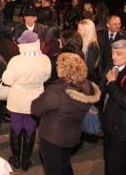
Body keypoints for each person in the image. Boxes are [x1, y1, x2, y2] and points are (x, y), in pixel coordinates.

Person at [31, 53, 101, 175]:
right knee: (64, 162)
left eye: (59, 66)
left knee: (53, 169)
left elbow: (36, 109)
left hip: (52, 138)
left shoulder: (57, 91)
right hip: (73, 136)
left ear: (65, 70)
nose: (56, 67)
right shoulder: (88, 86)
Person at [2, 30, 51, 171]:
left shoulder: (16, 61)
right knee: (30, 130)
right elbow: (46, 77)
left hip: (17, 100)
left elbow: (7, 80)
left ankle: (16, 159)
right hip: (35, 101)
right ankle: (25, 161)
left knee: (16, 128)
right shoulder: (44, 59)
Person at [101, 39, 126, 175]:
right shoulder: (111, 66)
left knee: (116, 166)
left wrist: (111, 84)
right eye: (112, 53)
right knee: (109, 160)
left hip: (121, 131)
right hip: (109, 126)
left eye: (118, 54)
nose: (113, 56)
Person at [78, 19, 101, 83]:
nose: (77, 31)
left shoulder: (92, 47)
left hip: (88, 80)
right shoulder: (84, 42)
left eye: (79, 29)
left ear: (87, 32)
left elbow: (89, 69)